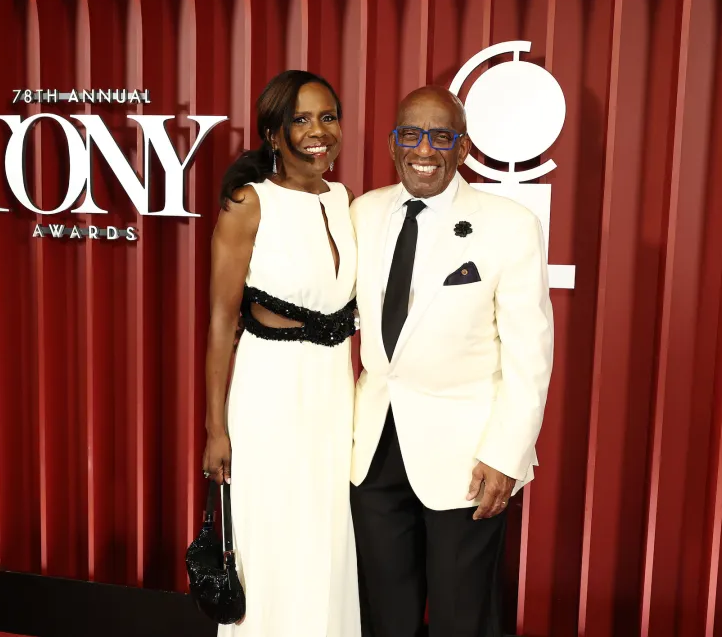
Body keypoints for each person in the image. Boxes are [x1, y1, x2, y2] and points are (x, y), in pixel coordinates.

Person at [349, 86, 555, 637]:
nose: (424, 150)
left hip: (469, 458)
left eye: (441, 137)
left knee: (463, 618)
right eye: (411, 135)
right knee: (384, 615)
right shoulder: (364, 212)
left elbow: (530, 353)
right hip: (373, 448)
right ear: (393, 144)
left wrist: (506, 455)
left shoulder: (510, 224)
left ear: (462, 149)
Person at [201, 70, 361, 637]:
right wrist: (215, 429)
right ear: (273, 133)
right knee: (272, 538)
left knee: (325, 539)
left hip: (333, 391)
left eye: (328, 117)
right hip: (270, 390)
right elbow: (222, 321)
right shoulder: (249, 203)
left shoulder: (342, 199)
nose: (319, 131)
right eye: (301, 119)